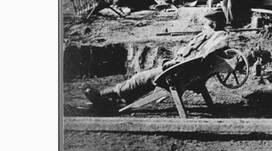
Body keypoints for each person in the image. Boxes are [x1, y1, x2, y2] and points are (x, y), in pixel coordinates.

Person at [84, 9, 228, 109]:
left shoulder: (219, 36)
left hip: (179, 72)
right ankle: (115, 98)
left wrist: (175, 64)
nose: (204, 26)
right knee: (143, 82)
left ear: (213, 24)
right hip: (180, 69)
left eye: (206, 23)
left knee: (140, 78)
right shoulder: (208, 35)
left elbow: (203, 57)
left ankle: (103, 95)